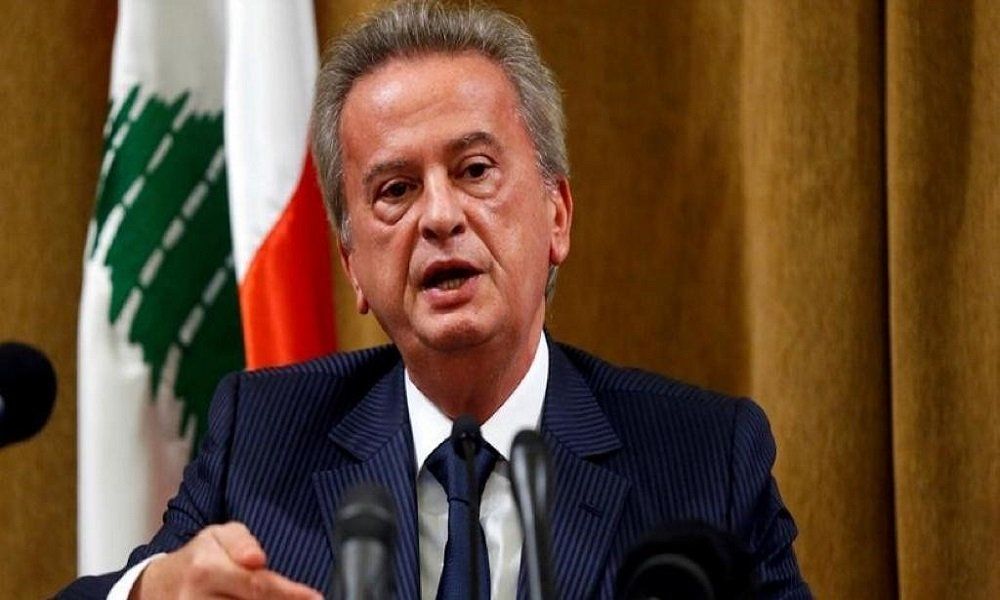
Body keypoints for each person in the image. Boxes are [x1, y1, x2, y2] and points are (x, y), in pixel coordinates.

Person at [60, 1, 810, 598]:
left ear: (556, 217)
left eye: (475, 170)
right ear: (353, 266)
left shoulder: (705, 457)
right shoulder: (261, 439)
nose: (440, 216)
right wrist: (153, 590)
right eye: (396, 190)